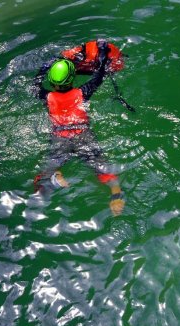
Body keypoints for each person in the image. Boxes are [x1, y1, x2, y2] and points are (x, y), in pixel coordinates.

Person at [33, 40, 125, 216]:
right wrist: (104, 56)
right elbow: (99, 76)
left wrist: (45, 67)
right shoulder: (82, 93)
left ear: (52, 83)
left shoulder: (48, 97)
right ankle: (115, 193)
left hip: (60, 136)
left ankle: (53, 178)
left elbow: (34, 86)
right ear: (73, 78)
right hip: (83, 134)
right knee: (102, 167)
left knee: (45, 171)